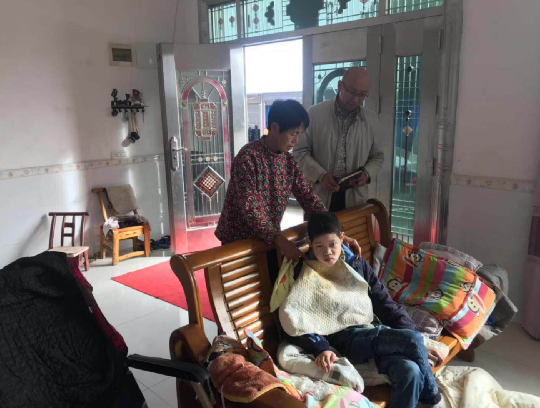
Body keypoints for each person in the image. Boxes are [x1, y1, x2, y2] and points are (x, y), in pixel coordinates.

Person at [281, 212, 443, 408]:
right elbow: (298, 318)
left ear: (342, 238)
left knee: (410, 371)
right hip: (345, 340)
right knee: (412, 340)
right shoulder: (305, 273)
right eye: (319, 246)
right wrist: (321, 348)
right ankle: (432, 401)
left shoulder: (355, 264)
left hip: (370, 331)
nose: (327, 252)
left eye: (332, 244)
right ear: (310, 243)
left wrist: (417, 342)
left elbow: (384, 302)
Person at [215, 100, 361, 280]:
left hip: (269, 238)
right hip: (239, 241)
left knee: (271, 287)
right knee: (240, 290)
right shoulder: (248, 158)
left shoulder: (288, 161)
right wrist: (281, 241)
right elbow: (250, 209)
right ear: (275, 128)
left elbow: (308, 197)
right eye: (292, 133)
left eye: (299, 134)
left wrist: (336, 234)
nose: (296, 140)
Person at [293, 67, 384, 212]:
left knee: (352, 227)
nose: (356, 99)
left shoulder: (371, 120)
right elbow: (299, 152)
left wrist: (367, 174)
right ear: (340, 86)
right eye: (352, 92)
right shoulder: (314, 114)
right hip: (319, 196)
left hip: (355, 198)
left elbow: (377, 157)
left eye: (362, 95)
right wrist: (321, 175)